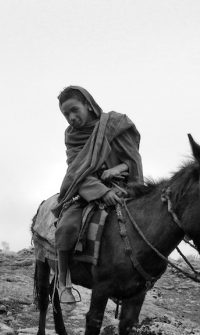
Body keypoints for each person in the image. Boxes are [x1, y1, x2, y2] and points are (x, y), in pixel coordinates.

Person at [53, 86, 144, 303]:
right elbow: (76, 170)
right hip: (87, 188)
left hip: (125, 186)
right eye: (66, 115)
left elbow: (133, 160)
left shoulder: (116, 124)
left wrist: (117, 170)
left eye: (75, 110)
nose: (71, 118)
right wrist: (102, 192)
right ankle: (63, 282)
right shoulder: (72, 137)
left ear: (88, 104)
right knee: (67, 226)